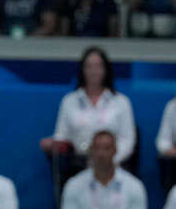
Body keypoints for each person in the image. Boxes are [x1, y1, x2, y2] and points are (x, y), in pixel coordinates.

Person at [41, 47, 136, 181]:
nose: (93, 71)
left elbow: (128, 141)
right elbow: (62, 136)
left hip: (114, 165)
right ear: (82, 70)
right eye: (89, 66)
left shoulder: (121, 102)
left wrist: (108, 161)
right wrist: (53, 144)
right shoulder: (69, 101)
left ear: (106, 70)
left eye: (98, 66)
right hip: (77, 166)